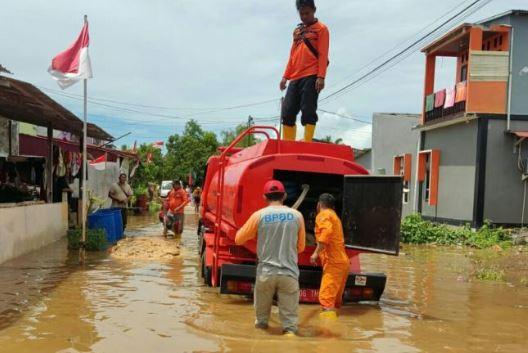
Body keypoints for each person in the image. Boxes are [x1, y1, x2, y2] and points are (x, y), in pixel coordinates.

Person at [235, 180, 306, 336]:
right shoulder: (297, 216)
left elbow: (238, 239)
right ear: (285, 196)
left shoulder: (259, 215)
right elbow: (301, 248)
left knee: (261, 324)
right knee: (290, 327)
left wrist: (256, 234)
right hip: (289, 274)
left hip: (265, 273)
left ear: (264, 197)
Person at [280, 0, 329, 142]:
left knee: (308, 110)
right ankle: (288, 145)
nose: (304, 16)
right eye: (301, 14)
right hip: (295, 77)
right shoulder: (297, 31)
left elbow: (323, 54)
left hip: (312, 75)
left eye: (307, 13)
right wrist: (285, 77)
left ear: (314, 10)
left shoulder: (322, 29)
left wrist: (321, 76)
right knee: (287, 112)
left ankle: (307, 142)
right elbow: (292, 56)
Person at [310, 193, 350, 319]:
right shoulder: (334, 216)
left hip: (334, 263)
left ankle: (328, 334)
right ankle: (337, 327)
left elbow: (326, 233)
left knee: (326, 299)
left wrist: (315, 253)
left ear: (319, 204)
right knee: (335, 301)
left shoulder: (323, 215)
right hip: (342, 263)